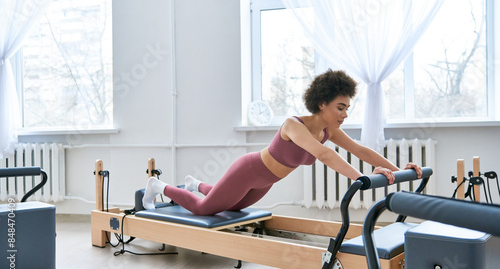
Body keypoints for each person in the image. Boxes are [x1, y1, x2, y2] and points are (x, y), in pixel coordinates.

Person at [142, 69, 422, 215]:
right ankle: (159, 186)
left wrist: (397, 170)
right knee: (205, 208)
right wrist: (361, 178)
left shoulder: (328, 130)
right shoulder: (293, 125)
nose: (345, 114)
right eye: (340, 107)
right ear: (322, 104)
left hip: (266, 181)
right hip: (249, 170)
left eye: (348, 108)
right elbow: (323, 155)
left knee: (233, 206)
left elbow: (360, 149)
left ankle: (195, 184)